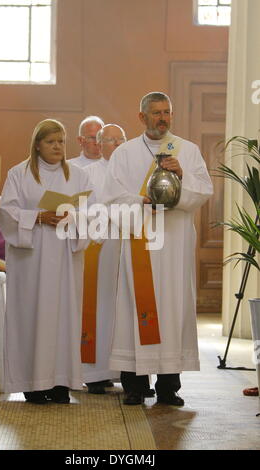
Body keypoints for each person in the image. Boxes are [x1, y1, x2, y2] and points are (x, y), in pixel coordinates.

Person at [101, 92, 213, 405]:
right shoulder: (124, 154)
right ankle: (134, 387)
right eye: (156, 113)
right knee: (135, 307)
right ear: (142, 117)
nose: (162, 118)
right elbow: (110, 197)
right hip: (140, 242)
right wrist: (143, 202)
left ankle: (168, 388)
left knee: (172, 309)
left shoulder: (186, 151)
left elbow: (204, 190)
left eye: (167, 112)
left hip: (174, 245)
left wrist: (182, 175)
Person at [0, 119, 94, 404]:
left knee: (64, 316)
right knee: (31, 315)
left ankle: (60, 382)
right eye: (51, 141)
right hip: (31, 261)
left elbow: (90, 212)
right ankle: (32, 384)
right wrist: (38, 217)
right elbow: (7, 213)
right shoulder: (20, 173)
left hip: (65, 257)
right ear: (37, 144)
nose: (57, 147)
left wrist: (72, 216)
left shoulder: (78, 175)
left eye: (61, 141)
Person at [81, 124, 126, 394]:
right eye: (112, 140)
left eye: (122, 139)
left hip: (128, 248)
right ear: (99, 144)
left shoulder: (132, 173)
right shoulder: (86, 175)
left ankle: (123, 371)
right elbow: (80, 210)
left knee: (124, 309)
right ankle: (95, 373)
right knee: (98, 310)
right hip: (98, 249)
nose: (118, 144)